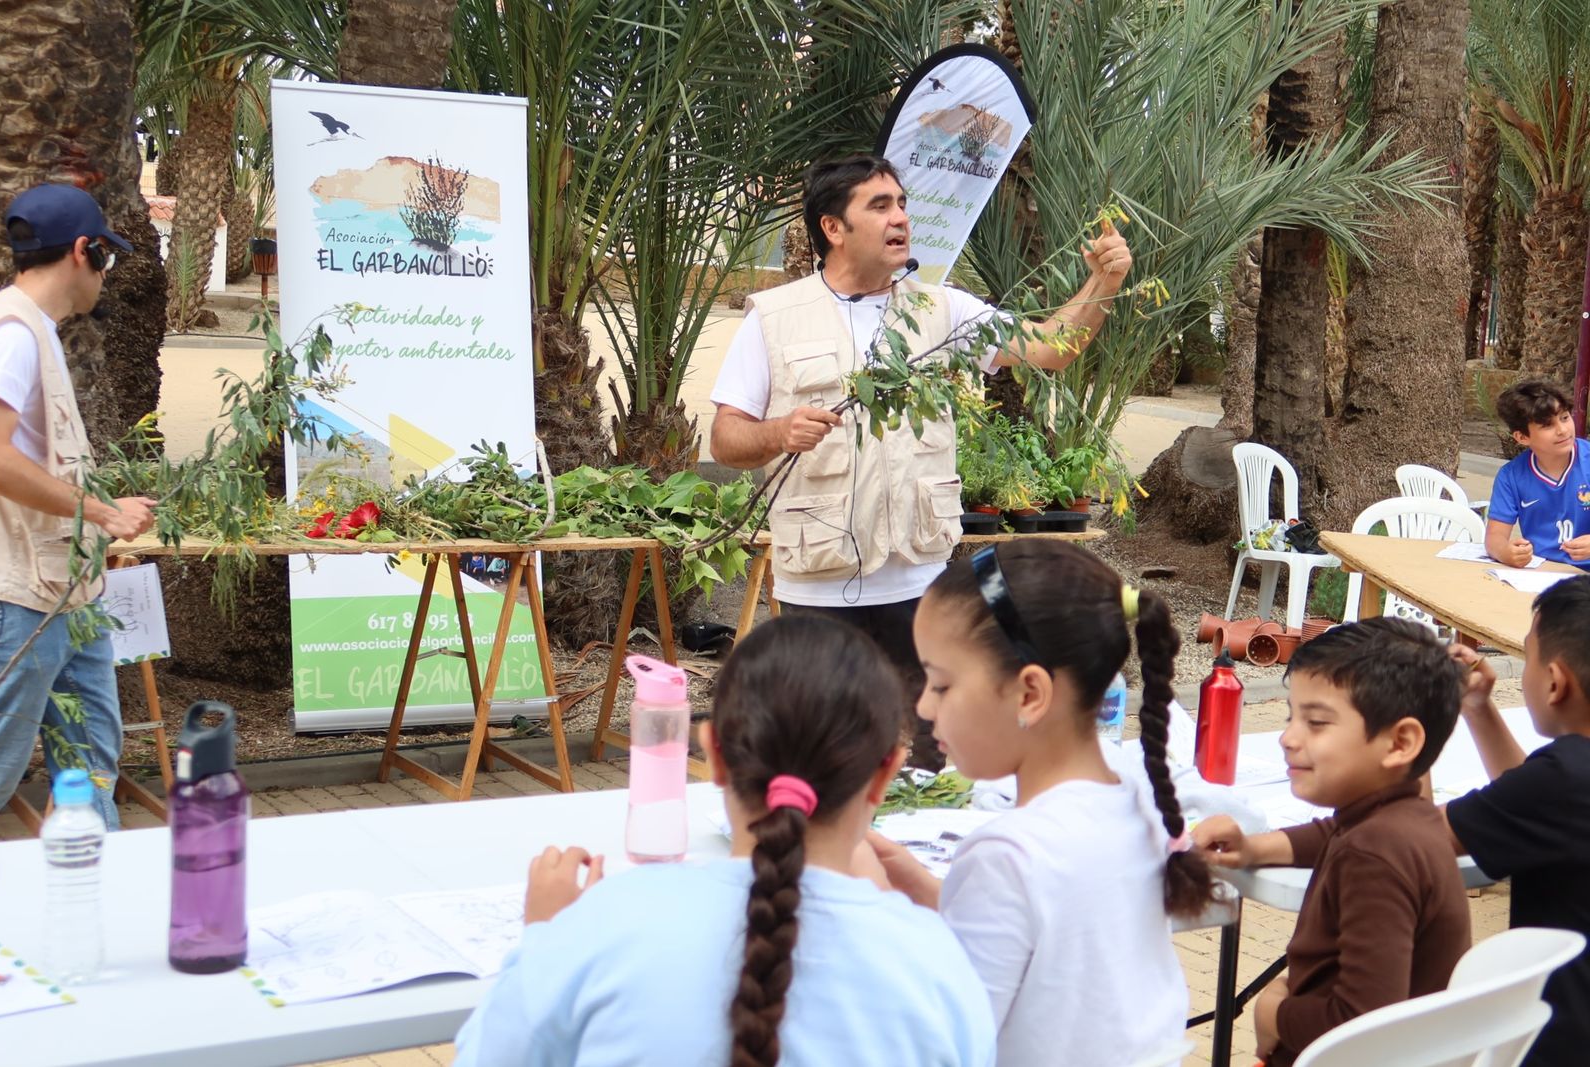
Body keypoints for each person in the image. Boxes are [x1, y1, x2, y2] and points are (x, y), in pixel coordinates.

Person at [709, 154, 1132, 763]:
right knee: (825, 757)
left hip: (921, 583)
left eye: (902, 203)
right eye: (879, 206)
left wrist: (1103, 285)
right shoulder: (774, 318)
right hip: (818, 587)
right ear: (833, 227)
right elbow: (726, 438)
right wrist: (779, 431)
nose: (900, 217)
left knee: (937, 759)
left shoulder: (942, 310)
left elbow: (1050, 347)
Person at [453, 614, 997, 1067]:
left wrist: (544, 939)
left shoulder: (601, 927)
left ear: (711, 752)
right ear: (885, 775)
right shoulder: (934, 965)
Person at [863, 541, 1214, 1067]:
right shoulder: (1136, 800)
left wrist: (870, 906)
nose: (923, 707)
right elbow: (1054, 943)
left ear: (1030, 694)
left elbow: (945, 1044)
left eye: (940, 684)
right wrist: (930, 890)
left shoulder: (1006, 856)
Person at [1192, 619, 1471, 1067]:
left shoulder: (1374, 855)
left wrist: (1275, 1012)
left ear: (1400, 742)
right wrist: (1255, 848)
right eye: (1291, 716)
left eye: (1316, 723)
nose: (1288, 738)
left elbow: (1364, 1022)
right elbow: (1332, 833)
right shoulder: (1402, 820)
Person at [0, 183, 154, 830]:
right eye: (106, 259)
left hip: (72, 596)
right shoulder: (14, 335)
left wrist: (102, 504)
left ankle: (89, 911)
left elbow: (38, 457)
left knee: (89, 764)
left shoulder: (41, 332)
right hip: (23, 598)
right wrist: (104, 513)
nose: (105, 277)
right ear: (83, 251)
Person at [1443, 576, 1590, 1066]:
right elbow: (1530, 807)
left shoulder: (1563, 779)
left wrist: (1411, 719)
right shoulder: (1563, 780)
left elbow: (1412, 834)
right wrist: (1478, 709)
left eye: (1525, 657)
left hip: (1556, 1041)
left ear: (1554, 681)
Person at [1484, 379, 1590, 569]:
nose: (1562, 430)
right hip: (1541, 573)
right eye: (1547, 425)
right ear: (1522, 437)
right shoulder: (1511, 476)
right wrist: (1506, 553)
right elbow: (1494, 538)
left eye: (1565, 417)